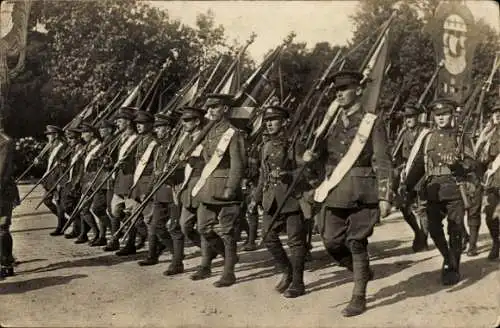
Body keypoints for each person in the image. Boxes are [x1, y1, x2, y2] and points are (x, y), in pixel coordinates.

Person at [303, 71, 392, 316]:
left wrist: (384, 195)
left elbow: (382, 160)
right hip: (335, 190)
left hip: (363, 191)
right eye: (336, 90)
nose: (339, 94)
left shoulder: (371, 121)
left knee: (356, 241)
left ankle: (359, 295)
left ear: (359, 90)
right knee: (331, 240)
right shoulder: (330, 123)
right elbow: (324, 155)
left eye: (345, 88)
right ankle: (362, 271)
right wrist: (311, 159)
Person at [404, 98, 476, 285]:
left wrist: (458, 166)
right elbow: (419, 163)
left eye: (444, 114)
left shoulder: (461, 136)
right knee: (434, 229)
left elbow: (471, 163)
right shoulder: (427, 138)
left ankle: (453, 268)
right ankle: (448, 256)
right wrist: (407, 186)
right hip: (433, 190)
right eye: (437, 115)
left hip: (454, 189)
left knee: (456, 229)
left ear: (452, 114)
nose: (441, 118)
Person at [249, 105, 307, 298]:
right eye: (267, 120)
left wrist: (288, 174)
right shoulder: (264, 145)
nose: (269, 124)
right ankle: (287, 270)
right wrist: (255, 198)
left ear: (284, 122)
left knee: (295, 241)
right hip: (270, 199)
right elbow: (262, 176)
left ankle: (298, 283)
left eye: (274, 120)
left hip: (291, 197)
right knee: (267, 236)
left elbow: (306, 170)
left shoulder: (294, 143)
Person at [189, 93, 245, 288]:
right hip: (208, 186)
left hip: (224, 186)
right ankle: (228, 257)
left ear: (225, 109)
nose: (210, 111)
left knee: (228, 232)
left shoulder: (232, 132)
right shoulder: (209, 131)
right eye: (209, 108)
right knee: (203, 227)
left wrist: (231, 186)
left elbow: (238, 163)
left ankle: (229, 273)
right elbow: (204, 159)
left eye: (215, 107)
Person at [392, 104, 429, 251]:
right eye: (406, 117)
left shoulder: (425, 133)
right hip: (407, 174)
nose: (408, 120)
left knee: (422, 208)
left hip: (422, 174)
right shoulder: (403, 134)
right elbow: (398, 155)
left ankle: (423, 240)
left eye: (411, 117)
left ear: (417, 117)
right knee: (404, 206)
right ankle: (418, 233)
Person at [104, 107, 139, 252]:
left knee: (131, 213)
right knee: (115, 211)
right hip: (118, 180)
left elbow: (138, 161)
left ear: (129, 122)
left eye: (120, 120)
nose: (117, 123)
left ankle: (130, 243)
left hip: (130, 179)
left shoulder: (136, 139)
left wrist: (125, 164)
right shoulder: (121, 138)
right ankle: (115, 239)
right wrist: (108, 162)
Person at [475, 101, 500, 260]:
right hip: (494, 181)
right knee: (490, 215)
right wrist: (482, 139)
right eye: (495, 112)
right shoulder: (489, 135)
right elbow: (482, 160)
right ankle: (496, 242)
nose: (498, 115)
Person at [0, 126, 20, 279]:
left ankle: (6, 264)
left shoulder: (5, 142)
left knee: (2, 228)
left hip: (3, 191)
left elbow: (2, 172)